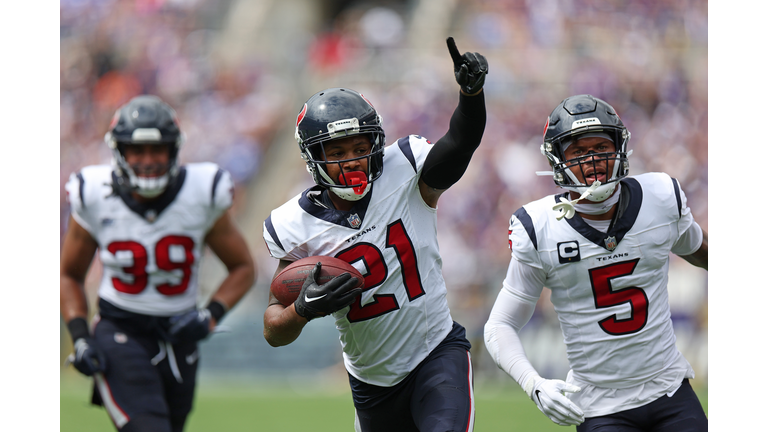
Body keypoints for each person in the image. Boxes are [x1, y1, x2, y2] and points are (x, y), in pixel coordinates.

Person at [261, 37, 488, 432]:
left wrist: (471, 96)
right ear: (315, 159)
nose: (352, 159)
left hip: (436, 351)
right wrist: (303, 309)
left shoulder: (406, 173)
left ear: (377, 143)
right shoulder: (294, 225)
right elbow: (273, 330)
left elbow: (460, 144)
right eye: (337, 152)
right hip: (371, 382)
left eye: (359, 146)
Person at [483, 94, 708, 431]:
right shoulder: (540, 227)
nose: (593, 160)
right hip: (601, 406)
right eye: (579, 151)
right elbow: (499, 325)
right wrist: (534, 384)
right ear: (557, 160)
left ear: (619, 148)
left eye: (601, 147)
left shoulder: (661, 198)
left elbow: (698, 248)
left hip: (669, 388)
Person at [60, 95, 256, 432]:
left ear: (174, 150)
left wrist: (210, 316)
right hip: (120, 330)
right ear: (119, 153)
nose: (147, 160)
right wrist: (79, 336)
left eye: (157, 149)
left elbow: (243, 267)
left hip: (180, 335)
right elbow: (69, 274)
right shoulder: (93, 193)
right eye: (136, 151)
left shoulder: (201, 191)